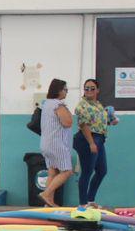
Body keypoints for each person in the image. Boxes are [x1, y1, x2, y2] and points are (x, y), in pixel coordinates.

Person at [73, 77, 116, 207]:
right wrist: (91, 143)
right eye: (87, 88)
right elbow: (84, 125)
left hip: (99, 139)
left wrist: (112, 121)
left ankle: (91, 200)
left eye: (92, 88)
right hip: (87, 139)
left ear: (97, 90)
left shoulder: (98, 104)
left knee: (102, 170)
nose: (89, 91)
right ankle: (83, 203)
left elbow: (99, 122)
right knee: (87, 171)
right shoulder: (82, 105)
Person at [38, 79, 74, 207]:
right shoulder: (58, 105)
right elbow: (67, 123)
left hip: (46, 144)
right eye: (65, 89)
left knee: (52, 172)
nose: (66, 92)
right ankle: (46, 194)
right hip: (57, 144)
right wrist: (68, 111)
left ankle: (49, 203)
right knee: (67, 171)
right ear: (58, 90)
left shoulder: (46, 104)